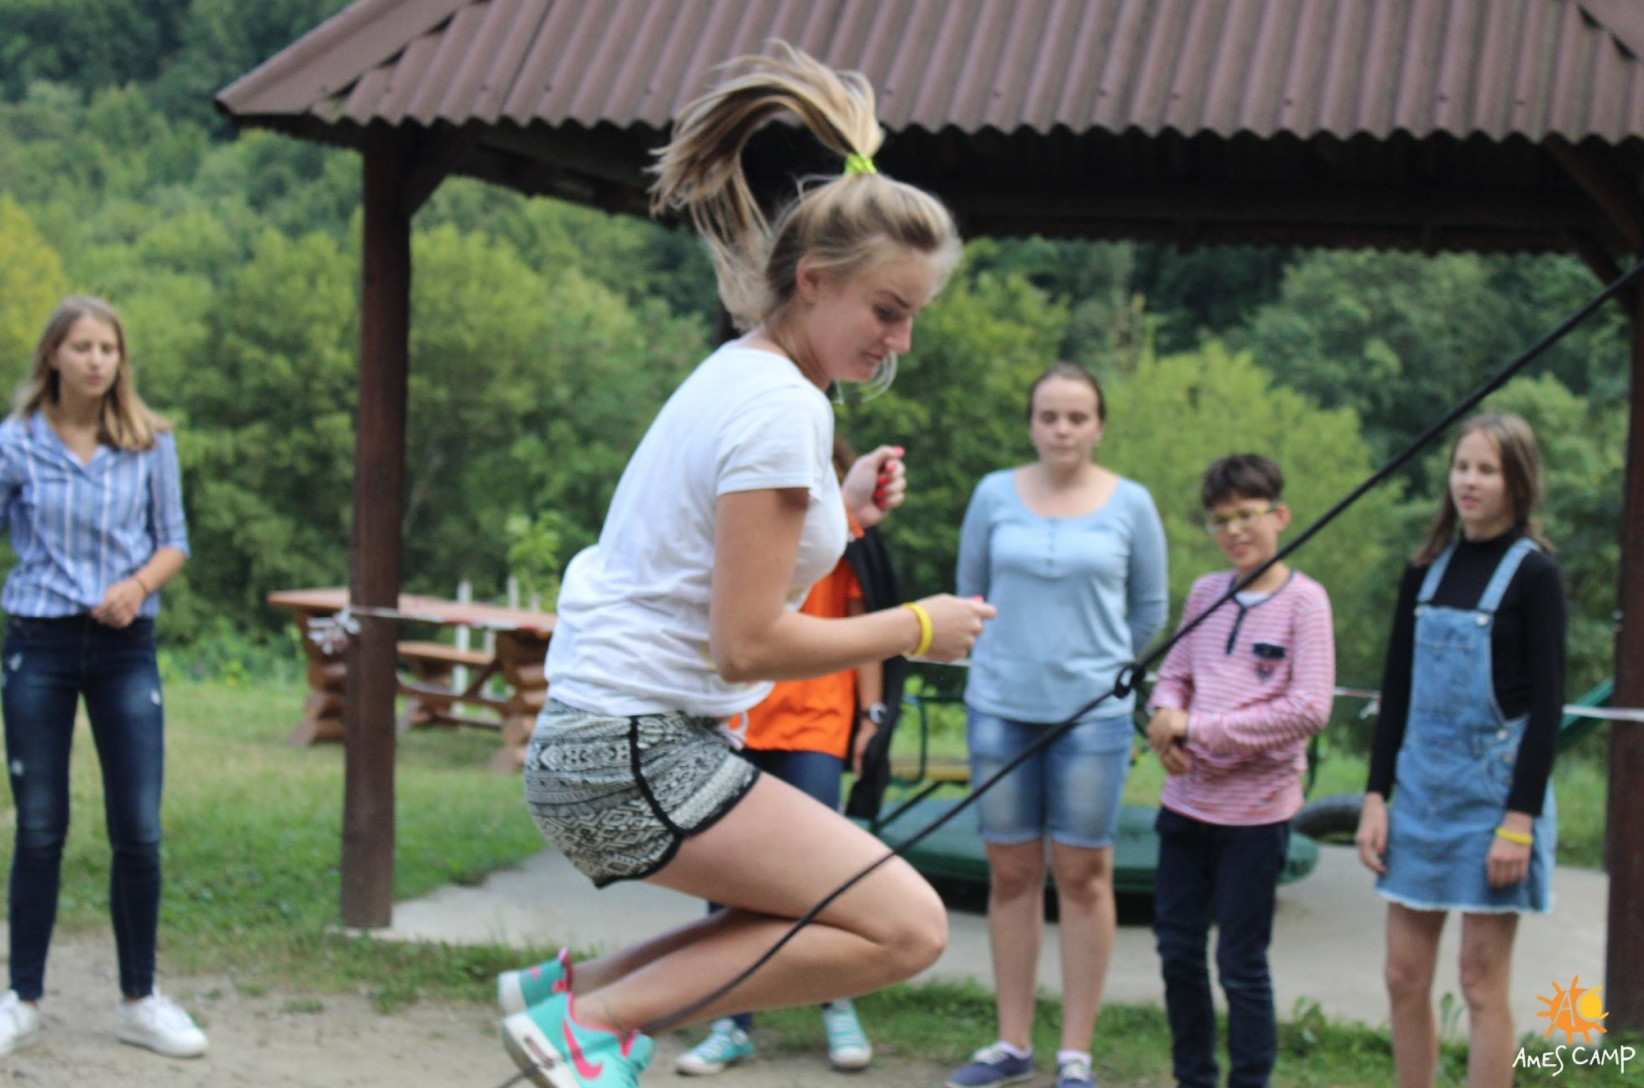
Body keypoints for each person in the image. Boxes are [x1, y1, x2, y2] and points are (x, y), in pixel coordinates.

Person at [492, 44, 994, 1088]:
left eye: (912, 316)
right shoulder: (780, 409)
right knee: (904, 925)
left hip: (609, 738)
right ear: (814, 282)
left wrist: (840, 519)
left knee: (816, 909)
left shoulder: (746, 376)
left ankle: (573, 999)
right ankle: (594, 1020)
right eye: (887, 310)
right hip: (632, 750)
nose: (900, 340)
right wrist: (917, 627)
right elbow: (747, 640)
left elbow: (711, 566)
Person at [949, 362, 1169, 1088]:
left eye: (1077, 417)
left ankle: (1076, 1053)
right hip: (999, 708)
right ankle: (1012, 1042)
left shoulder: (1132, 503)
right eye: (1049, 416)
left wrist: (1102, 671)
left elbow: (1150, 609)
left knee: (1083, 875)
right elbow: (969, 594)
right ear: (1031, 424)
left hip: (1091, 719)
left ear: (1099, 426)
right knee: (1012, 873)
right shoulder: (992, 494)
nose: (1063, 430)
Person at [0, 297, 205, 1059]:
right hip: (39, 645)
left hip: (125, 650)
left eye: (107, 348)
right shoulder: (15, 443)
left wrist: (137, 586)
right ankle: (21, 999)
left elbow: (173, 541)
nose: (96, 360)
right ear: (52, 356)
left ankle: (139, 1001)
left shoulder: (150, 443)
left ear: (121, 360)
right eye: (81, 347)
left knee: (138, 830)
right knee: (40, 828)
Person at [674, 437, 906, 1077]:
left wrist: (872, 715)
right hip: (741, 719)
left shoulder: (848, 538)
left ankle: (836, 1002)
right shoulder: (752, 523)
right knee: (729, 871)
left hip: (818, 723)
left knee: (820, 871)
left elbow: (863, 630)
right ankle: (731, 1020)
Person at [1354, 412, 1564, 1088]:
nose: (1469, 482)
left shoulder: (1535, 574)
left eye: (1486, 470)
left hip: (1493, 801)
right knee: (1402, 975)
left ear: (1517, 482)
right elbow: (1396, 692)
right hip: (1419, 793)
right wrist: (1375, 797)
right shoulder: (1425, 570)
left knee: (1479, 983)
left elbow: (1549, 710)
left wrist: (1518, 822)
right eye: (1462, 467)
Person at [1144, 454, 1336, 1088]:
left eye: (1247, 516)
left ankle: (1249, 1079)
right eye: (1220, 521)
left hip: (1255, 816)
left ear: (1280, 516)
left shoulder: (1305, 603)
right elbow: (1174, 675)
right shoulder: (1206, 593)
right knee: (1177, 951)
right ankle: (1192, 1076)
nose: (1234, 531)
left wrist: (1197, 728)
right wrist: (1164, 717)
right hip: (1185, 805)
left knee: (1240, 961)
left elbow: (1308, 709)